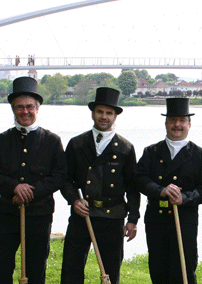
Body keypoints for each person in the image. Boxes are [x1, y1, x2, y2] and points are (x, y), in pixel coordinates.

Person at [0, 77, 67, 284]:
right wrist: (14, 187)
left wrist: (32, 191)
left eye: (30, 107)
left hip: (39, 215)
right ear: (13, 109)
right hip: (7, 214)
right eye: (19, 107)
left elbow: (59, 176)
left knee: (36, 268)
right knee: (0, 266)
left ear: (37, 109)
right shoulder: (0, 140)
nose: (25, 112)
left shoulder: (52, 141)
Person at [61, 87, 140, 284]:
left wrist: (133, 219)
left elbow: (132, 187)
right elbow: (64, 178)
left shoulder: (125, 148)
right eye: (100, 112)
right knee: (71, 268)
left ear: (115, 116)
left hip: (112, 217)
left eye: (109, 113)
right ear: (93, 113)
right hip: (82, 214)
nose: (104, 117)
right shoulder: (76, 144)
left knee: (110, 272)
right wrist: (73, 200)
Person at [135, 97, 202, 284]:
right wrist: (160, 190)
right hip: (156, 219)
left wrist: (184, 198)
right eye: (172, 120)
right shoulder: (151, 152)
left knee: (183, 271)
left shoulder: (201, 156)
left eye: (182, 120)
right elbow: (139, 179)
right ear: (166, 123)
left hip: (185, 220)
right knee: (158, 270)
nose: (177, 125)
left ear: (189, 124)